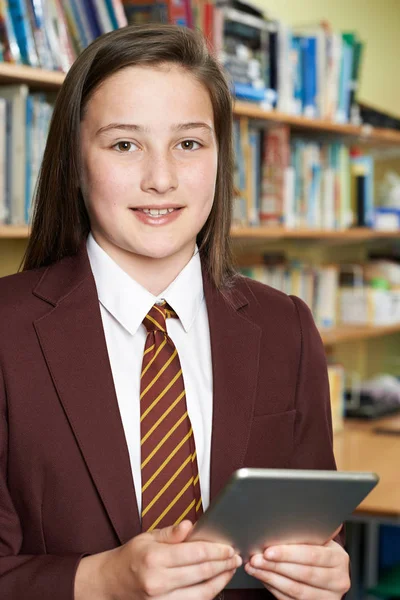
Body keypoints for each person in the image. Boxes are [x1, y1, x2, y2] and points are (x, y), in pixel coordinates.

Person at [0, 23, 350, 600]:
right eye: (123, 144)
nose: (161, 179)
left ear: (219, 157)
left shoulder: (286, 325)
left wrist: (321, 575)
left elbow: (313, 533)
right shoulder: (7, 333)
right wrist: (102, 581)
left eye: (188, 144)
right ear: (75, 162)